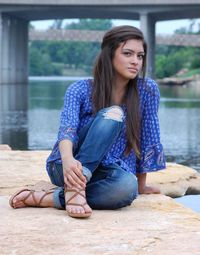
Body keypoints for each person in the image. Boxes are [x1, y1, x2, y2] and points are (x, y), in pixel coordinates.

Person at [9, 25, 166, 218]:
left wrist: (140, 186)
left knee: (127, 187)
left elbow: (148, 138)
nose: (135, 61)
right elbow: (67, 129)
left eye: (140, 56)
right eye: (128, 54)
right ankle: (75, 186)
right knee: (113, 115)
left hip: (107, 170)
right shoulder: (80, 89)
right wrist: (67, 161)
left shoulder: (147, 91)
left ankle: (51, 197)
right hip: (66, 165)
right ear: (109, 55)